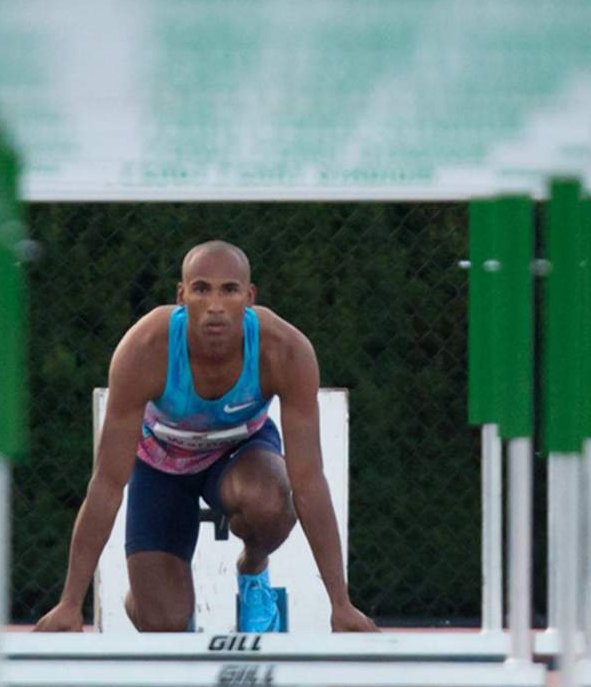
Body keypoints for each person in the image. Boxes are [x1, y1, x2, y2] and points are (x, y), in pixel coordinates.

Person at [34, 240, 377, 635]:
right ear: (182, 296)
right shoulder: (145, 348)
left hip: (239, 454)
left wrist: (341, 605)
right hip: (161, 465)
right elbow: (108, 482)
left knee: (271, 500)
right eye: (201, 289)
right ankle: (147, 594)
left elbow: (309, 481)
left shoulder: (285, 350)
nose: (215, 304)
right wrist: (69, 604)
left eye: (229, 290)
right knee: (162, 621)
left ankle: (253, 570)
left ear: (249, 297)